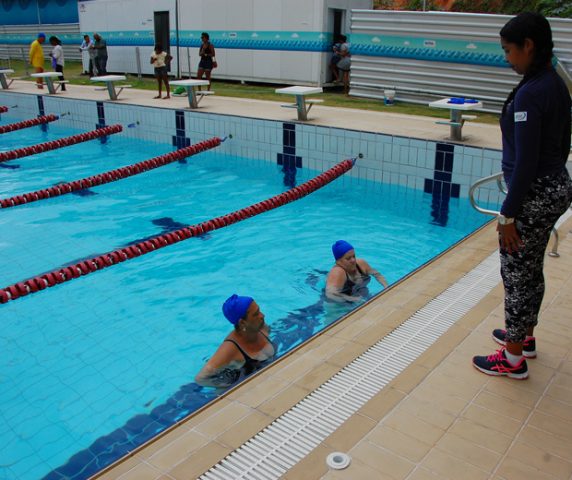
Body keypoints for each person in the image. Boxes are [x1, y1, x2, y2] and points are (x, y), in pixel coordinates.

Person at [472, 12, 572, 380]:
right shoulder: (554, 83)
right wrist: (551, 177)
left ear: (528, 46)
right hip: (555, 186)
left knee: (516, 274)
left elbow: (527, 161)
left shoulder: (532, 92)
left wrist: (507, 215)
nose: (506, 58)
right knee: (531, 268)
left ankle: (512, 359)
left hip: (533, 193)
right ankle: (524, 337)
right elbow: (563, 143)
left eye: (509, 50)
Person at [195, 295, 275, 388]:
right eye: (256, 314)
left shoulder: (262, 327)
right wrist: (229, 385)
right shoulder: (230, 348)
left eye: (259, 310)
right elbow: (201, 379)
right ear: (242, 323)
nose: (262, 315)